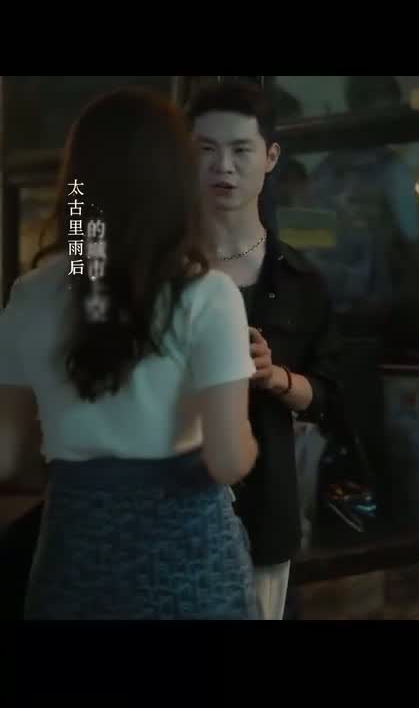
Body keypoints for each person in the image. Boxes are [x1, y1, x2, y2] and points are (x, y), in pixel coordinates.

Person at [0, 88, 259, 619]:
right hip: (189, 567)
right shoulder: (208, 295)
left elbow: (6, 455)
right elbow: (228, 460)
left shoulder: (31, 295)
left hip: (75, 562)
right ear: (175, 185)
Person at [187, 80, 344, 620]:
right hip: (168, 507)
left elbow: (330, 396)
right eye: (206, 150)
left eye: (240, 150)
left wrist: (277, 377)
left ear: (271, 157)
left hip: (264, 509)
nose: (223, 167)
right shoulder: (158, 270)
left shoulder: (300, 279)